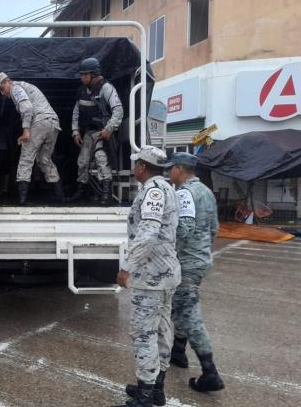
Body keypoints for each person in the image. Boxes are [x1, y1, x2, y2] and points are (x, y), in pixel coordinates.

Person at [117, 146, 180, 407]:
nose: (134, 168)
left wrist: (126, 266)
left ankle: (145, 396)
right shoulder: (167, 189)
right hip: (166, 274)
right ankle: (156, 389)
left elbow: (147, 234)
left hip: (151, 275)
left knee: (144, 333)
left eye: (136, 164)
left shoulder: (153, 191)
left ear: (143, 167)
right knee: (163, 330)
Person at [165, 152, 225, 392]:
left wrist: (171, 254)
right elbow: (214, 228)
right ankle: (178, 352)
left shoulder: (184, 193)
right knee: (180, 305)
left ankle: (210, 372)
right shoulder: (207, 192)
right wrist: (203, 252)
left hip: (187, 262)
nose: (169, 173)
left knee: (190, 314)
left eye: (171, 169)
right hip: (199, 260)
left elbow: (183, 230)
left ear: (180, 169)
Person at [0, 72, 64, 205]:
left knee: (26, 158)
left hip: (39, 121)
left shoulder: (15, 88)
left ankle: (22, 200)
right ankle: (59, 196)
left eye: (2, 89)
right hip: (53, 123)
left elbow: (27, 108)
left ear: (7, 81)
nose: (2, 93)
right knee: (44, 159)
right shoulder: (25, 86)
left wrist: (26, 131)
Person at [69, 57, 123, 205]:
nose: (82, 77)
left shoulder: (106, 88)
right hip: (88, 132)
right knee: (82, 162)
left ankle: (107, 193)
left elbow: (118, 110)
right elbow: (76, 113)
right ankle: (82, 192)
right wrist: (75, 131)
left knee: (101, 158)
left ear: (93, 74)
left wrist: (108, 129)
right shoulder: (81, 91)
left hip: (103, 131)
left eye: (85, 74)